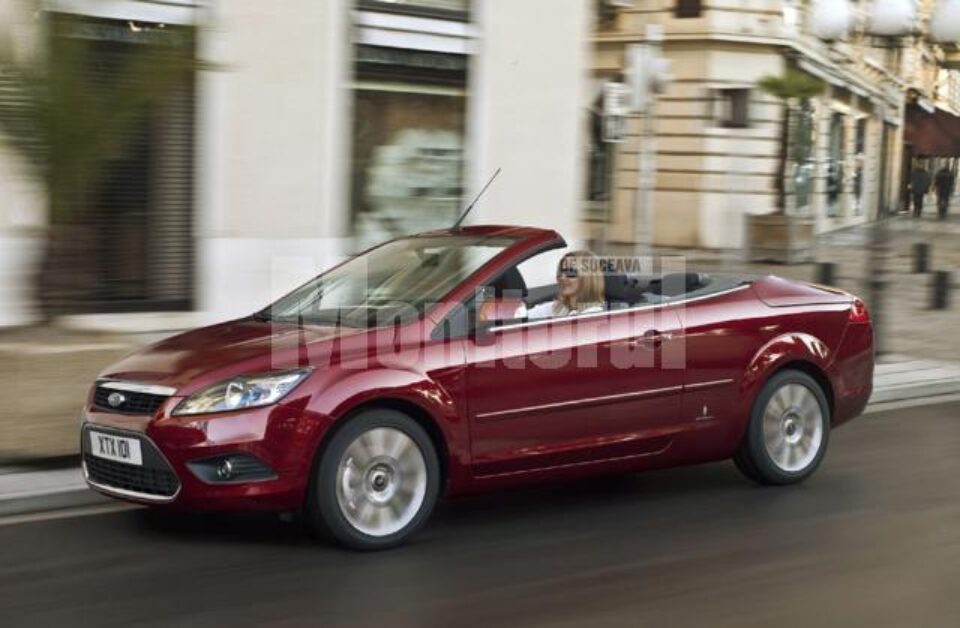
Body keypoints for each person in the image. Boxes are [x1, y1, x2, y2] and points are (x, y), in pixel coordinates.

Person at [528, 250, 606, 320]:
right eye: (561, 271)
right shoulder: (557, 307)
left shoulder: (593, 315)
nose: (562, 277)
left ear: (587, 278)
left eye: (571, 272)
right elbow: (524, 316)